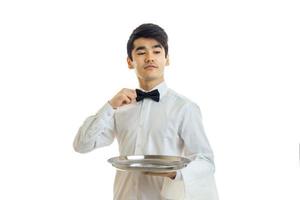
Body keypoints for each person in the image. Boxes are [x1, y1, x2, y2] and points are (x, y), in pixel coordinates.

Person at [73, 23, 219, 200]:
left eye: (157, 52)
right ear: (130, 61)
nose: (150, 57)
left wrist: (175, 172)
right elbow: (81, 145)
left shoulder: (184, 108)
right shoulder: (119, 107)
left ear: (167, 59)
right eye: (141, 52)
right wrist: (110, 106)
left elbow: (206, 161)